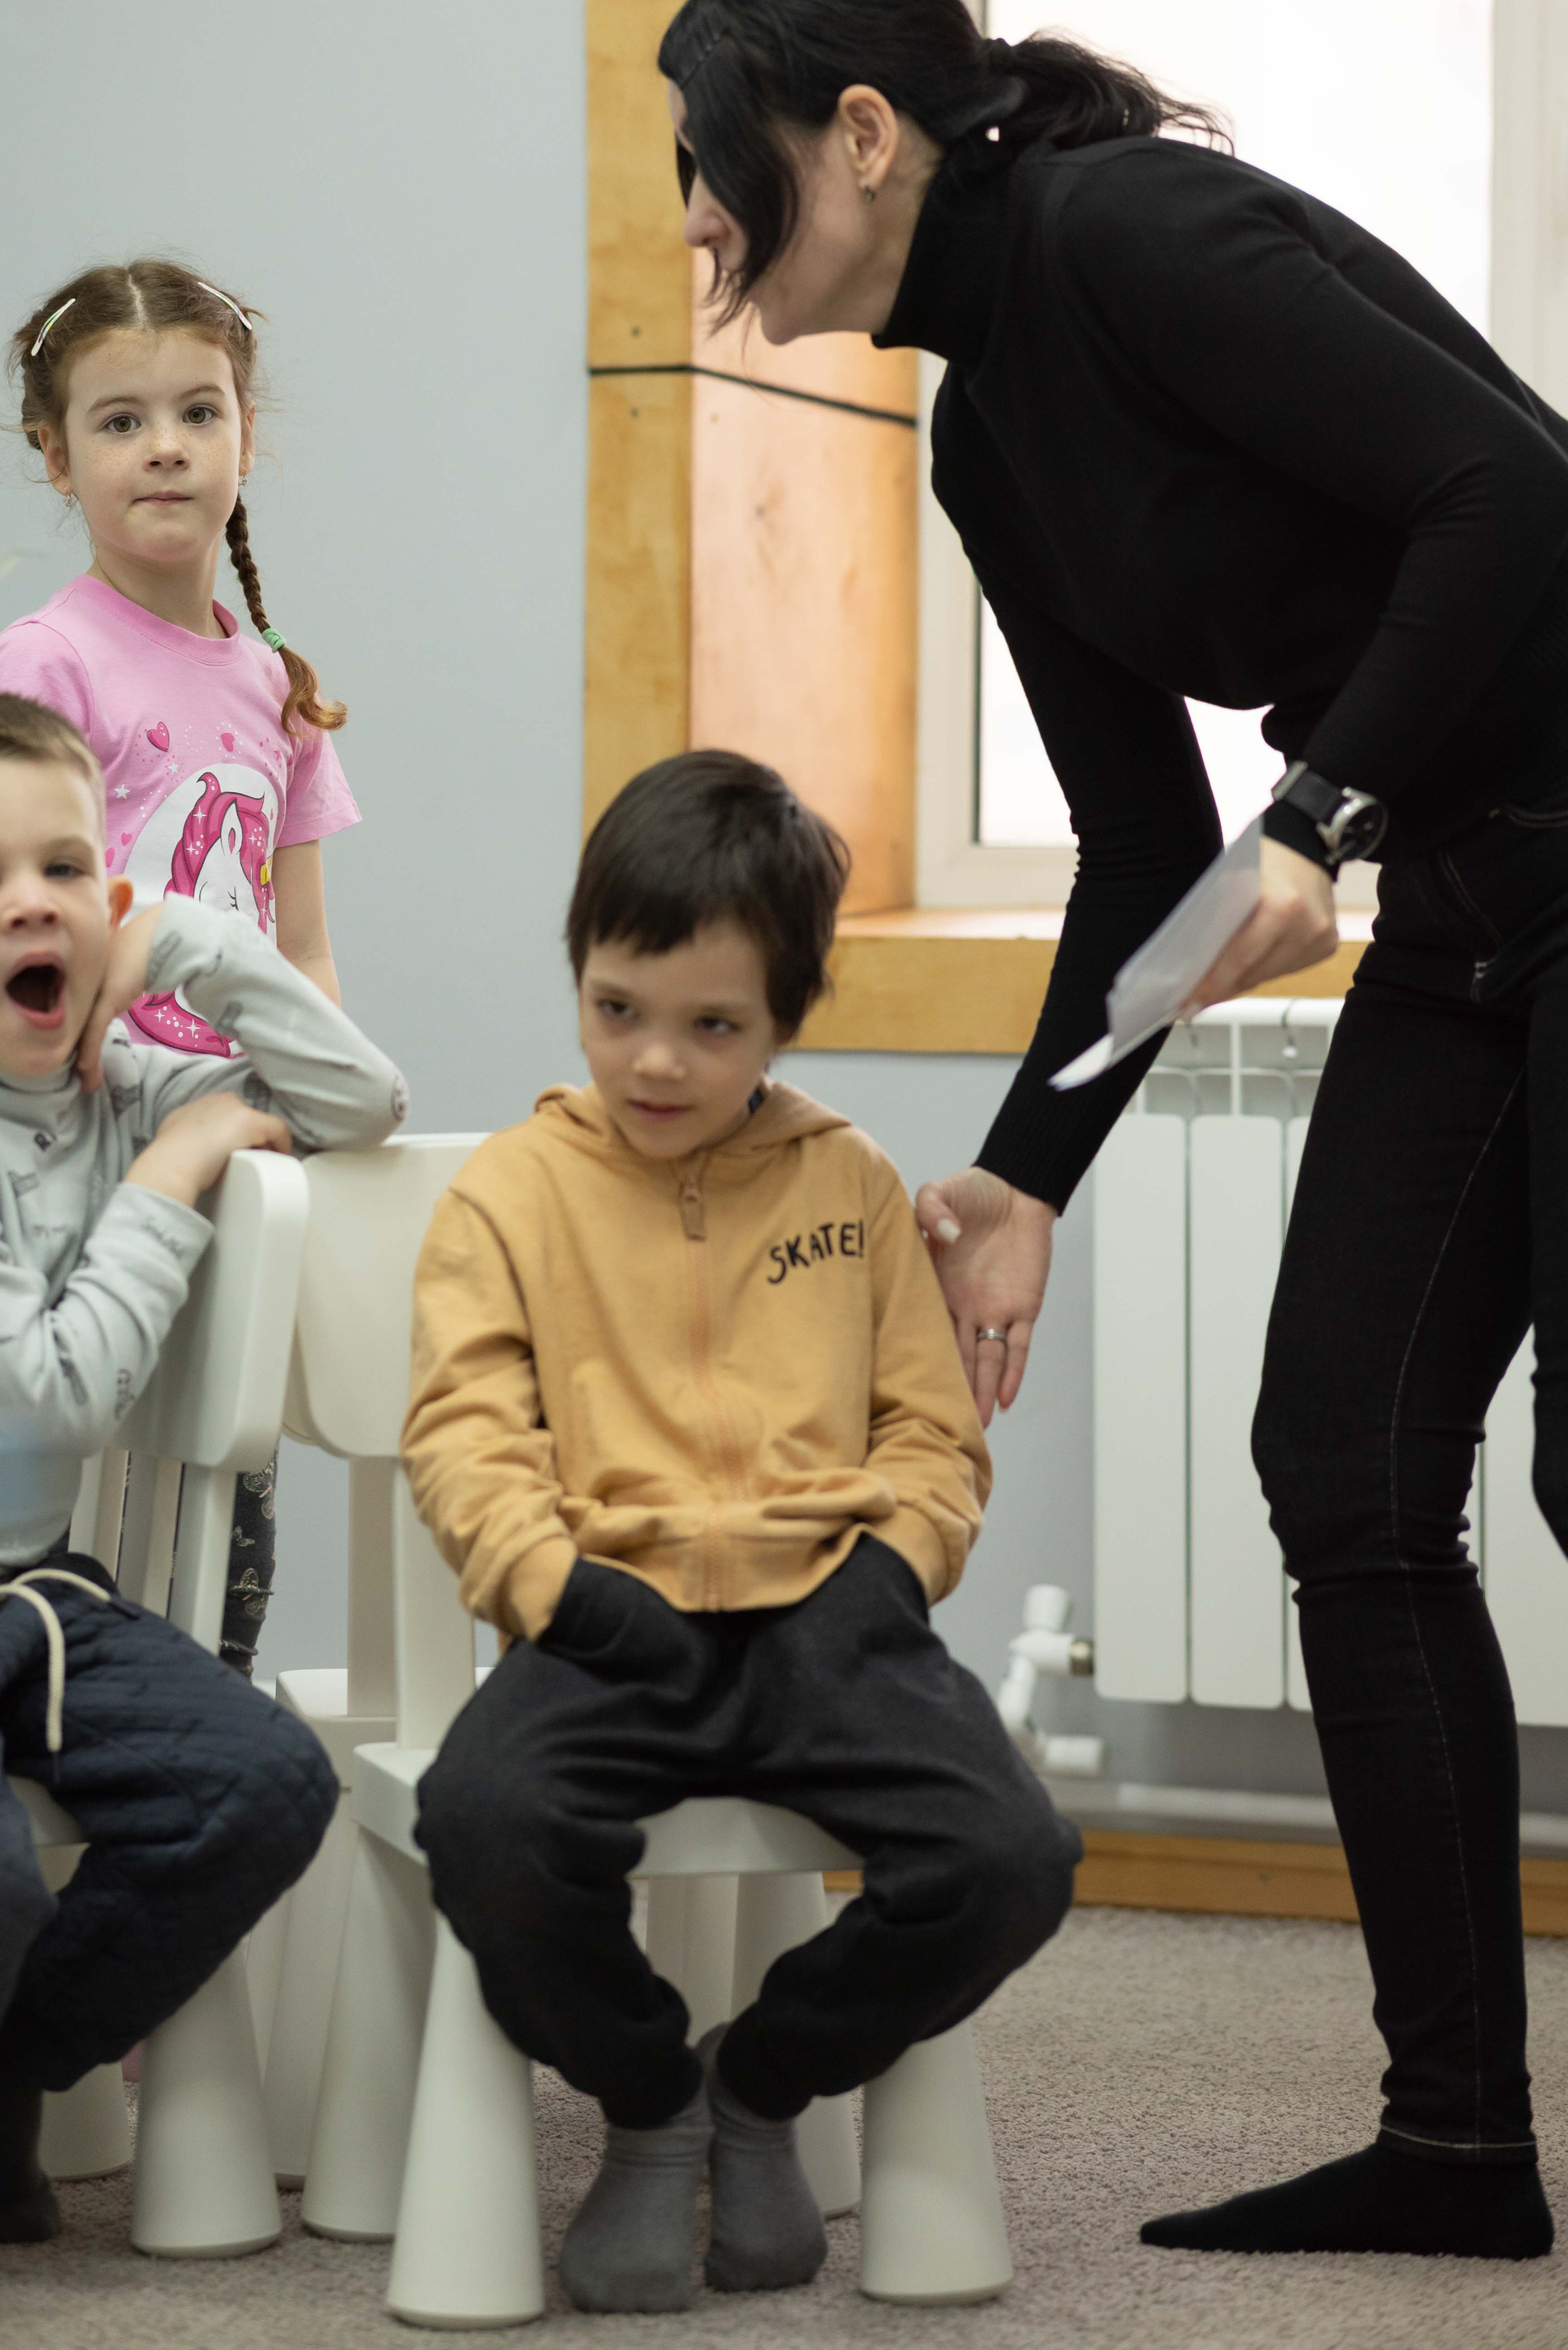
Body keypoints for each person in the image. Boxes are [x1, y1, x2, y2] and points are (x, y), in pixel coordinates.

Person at [655, 0, 1568, 2262]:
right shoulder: (982, 436)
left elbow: (1518, 493)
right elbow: (1150, 848)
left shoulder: (1134, 227)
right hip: (1473, 906)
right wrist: (1026, 1169)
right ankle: (1460, 2144)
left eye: (708, 155)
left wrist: (1326, 809)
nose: (693, 220)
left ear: (857, 134)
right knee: (1346, 1469)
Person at [401, 749, 1080, 2316]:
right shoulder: (505, 1199)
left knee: (1008, 1857)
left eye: (713, 1028)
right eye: (618, 1007)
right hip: (603, 1625)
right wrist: (557, 1593)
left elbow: (927, 1431)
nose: (655, 1060)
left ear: (784, 1020)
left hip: (829, 1624)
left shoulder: (848, 1188)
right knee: (485, 1833)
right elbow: (463, 1435)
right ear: (580, 972)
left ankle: (759, 2084)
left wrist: (886, 1581)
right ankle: (646, 2104)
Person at [0, 690, 407, 2247]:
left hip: (11, 1592)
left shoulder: (117, 1084)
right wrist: (179, 1174)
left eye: (62, 867)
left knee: (258, 1784)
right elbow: (54, 1399)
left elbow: (360, 1105)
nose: (26, 899)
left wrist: (177, 939)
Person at [0, 260, 359, 1674]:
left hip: (235, 1175)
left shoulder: (275, 690)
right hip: (85, 1180)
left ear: (244, 429)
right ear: (55, 453)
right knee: (68, 1542)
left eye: (198, 411)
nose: (167, 447)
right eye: (121, 420)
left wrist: (306, 1115)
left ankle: (202, 1793)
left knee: (221, 1552)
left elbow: (297, 942)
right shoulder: (45, 665)